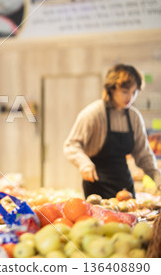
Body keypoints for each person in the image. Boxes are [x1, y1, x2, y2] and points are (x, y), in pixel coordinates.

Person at [64, 64, 161, 199]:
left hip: (124, 184)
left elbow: (143, 154)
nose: (130, 97)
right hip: (96, 184)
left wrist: (157, 178)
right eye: (125, 91)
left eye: (134, 92)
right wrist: (84, 164)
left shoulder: (134, 117)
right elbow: (71, 145)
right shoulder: (93, 114)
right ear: (111, 89)